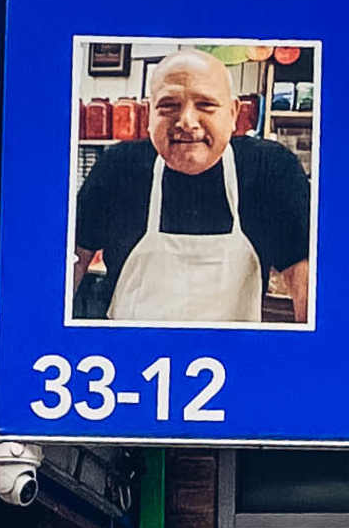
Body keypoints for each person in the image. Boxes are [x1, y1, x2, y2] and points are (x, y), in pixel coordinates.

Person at [70, 46, 313, 326]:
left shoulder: (269, 170)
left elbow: (307, 285)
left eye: (206, 105)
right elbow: (68, 268)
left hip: (231, 361)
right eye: (169, 106)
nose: (186, 121)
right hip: (131, 359)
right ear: (150, 115)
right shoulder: (117, 168)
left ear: (233, 113)